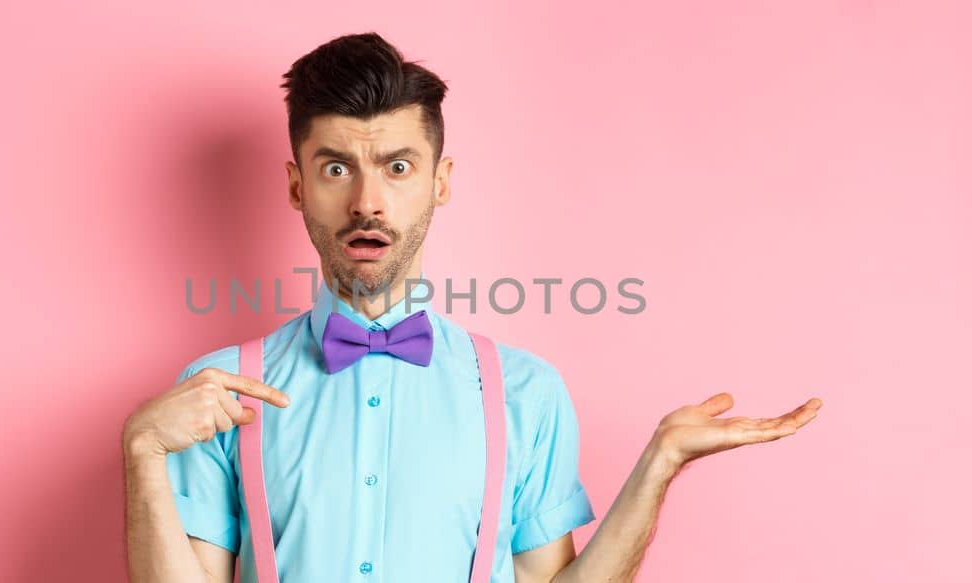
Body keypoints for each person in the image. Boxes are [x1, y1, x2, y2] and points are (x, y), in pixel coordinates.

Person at [121, 32, 822, 583]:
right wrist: (144, 451)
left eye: (397, 167)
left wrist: (658, 465)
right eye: (337, 167)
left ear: (440, 181)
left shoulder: (524, 393)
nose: (367, 200)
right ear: (297, 185)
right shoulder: (216, 394)